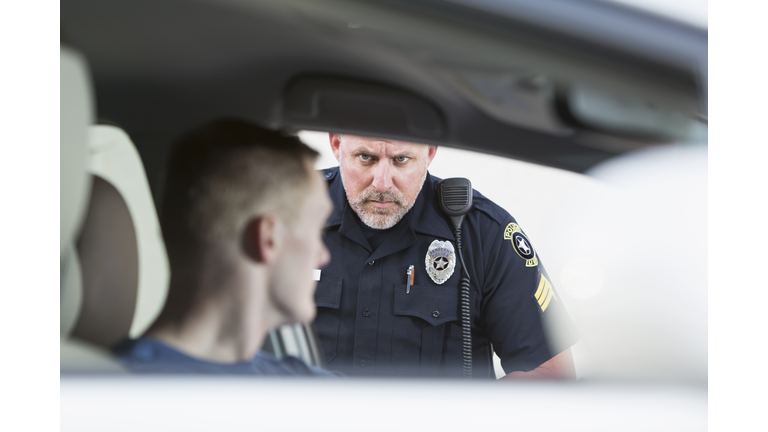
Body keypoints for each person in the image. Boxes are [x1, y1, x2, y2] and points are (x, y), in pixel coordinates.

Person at [312, 134, 580, 379]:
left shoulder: (483, 232)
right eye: (366, 158)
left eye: (401, 160)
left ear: (430, 151)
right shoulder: (283, 213)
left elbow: (552, 373)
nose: (382, 182)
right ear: (336, 144)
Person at [112, 119, 337, 376]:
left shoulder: (108, 389)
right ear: (268, 238)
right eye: (317, 230)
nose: (323, 255)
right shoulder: (305, 392)